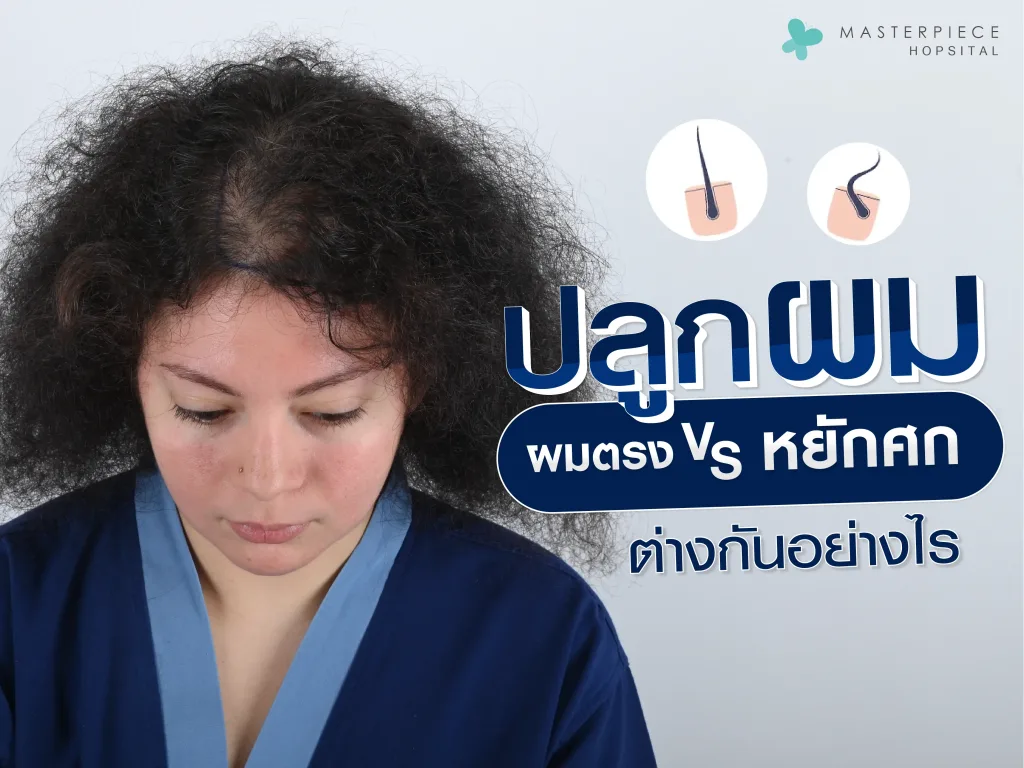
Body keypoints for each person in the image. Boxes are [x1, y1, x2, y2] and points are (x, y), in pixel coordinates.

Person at [0, 35, 658, 767]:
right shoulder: (16, 606)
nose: (268, 479)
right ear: (123, 369)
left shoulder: (544, 638)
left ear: (424, 378)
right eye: (203, 409)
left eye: (332, 412)